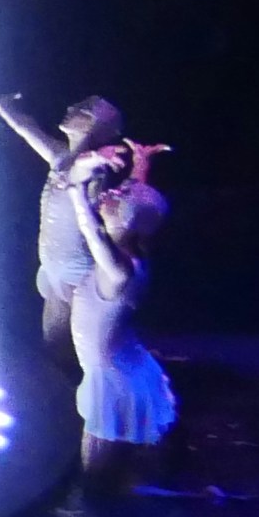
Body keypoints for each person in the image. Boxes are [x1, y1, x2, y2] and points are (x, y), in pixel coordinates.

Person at [0, 86, 130, 363]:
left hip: (75, 274)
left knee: (67, 352)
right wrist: (2, 108)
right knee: (53, 349)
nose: (71, 108)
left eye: (83, 110)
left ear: (93, 126)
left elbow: (82, 171)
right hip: (54, 265)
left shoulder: (94, 171)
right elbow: (26, 129)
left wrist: (96, 158)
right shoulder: (61, 156)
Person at [66, 174, 175, 497]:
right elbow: (133, 211)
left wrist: (76, 190)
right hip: (120, 362)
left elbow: (91, 230)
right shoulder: (126, 253)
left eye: (120, 195)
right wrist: (141, 168)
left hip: (113, 376)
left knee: (96, 478)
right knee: (113, 472)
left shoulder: (119, 270)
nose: (111, 192)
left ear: (129, 219)